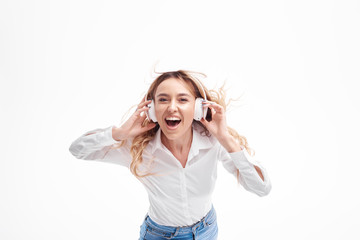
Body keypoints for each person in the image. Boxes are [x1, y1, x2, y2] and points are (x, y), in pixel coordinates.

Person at [69, 70, 271, 240]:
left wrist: (226, 139)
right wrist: (119, 133)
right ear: (152, 110)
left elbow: (261, 188)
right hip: (159, 235)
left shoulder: (213, 141)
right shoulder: (139, 148)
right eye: (163, 100)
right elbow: (78, 149)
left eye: (183, 99)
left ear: (198, 108)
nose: (172, 107)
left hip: (206, 231)